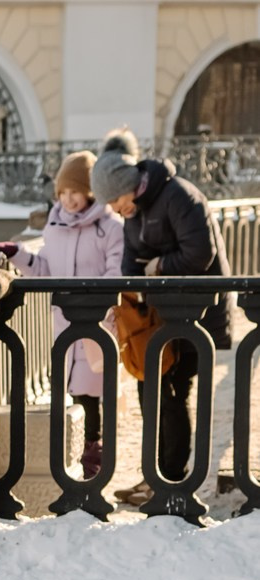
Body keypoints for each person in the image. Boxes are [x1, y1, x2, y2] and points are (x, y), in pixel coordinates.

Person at [91, 126, 231, 506]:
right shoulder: (137, 210)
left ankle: (170, 483)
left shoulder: (179, 196)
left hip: (195, 316)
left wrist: (153, 268)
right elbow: (129, 264)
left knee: (173, 395)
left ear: (128, 185)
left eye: (115, 200)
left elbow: (199, 254)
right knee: (148, 391)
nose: (115, 210)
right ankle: (153, 476)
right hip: (156, 322)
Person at [0, 150, 123, 479]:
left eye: (75, 191)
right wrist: (18, 253)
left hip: (99, 323)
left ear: (91, 190)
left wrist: (94, 301)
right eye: (62, 193)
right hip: (64, 323)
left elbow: (116, 272)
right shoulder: (55, 224)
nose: (68, 199)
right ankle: (85, 457)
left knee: (93, 392)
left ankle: (95, 459)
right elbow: (45, 270)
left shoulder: (110, 226)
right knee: (75, 392)